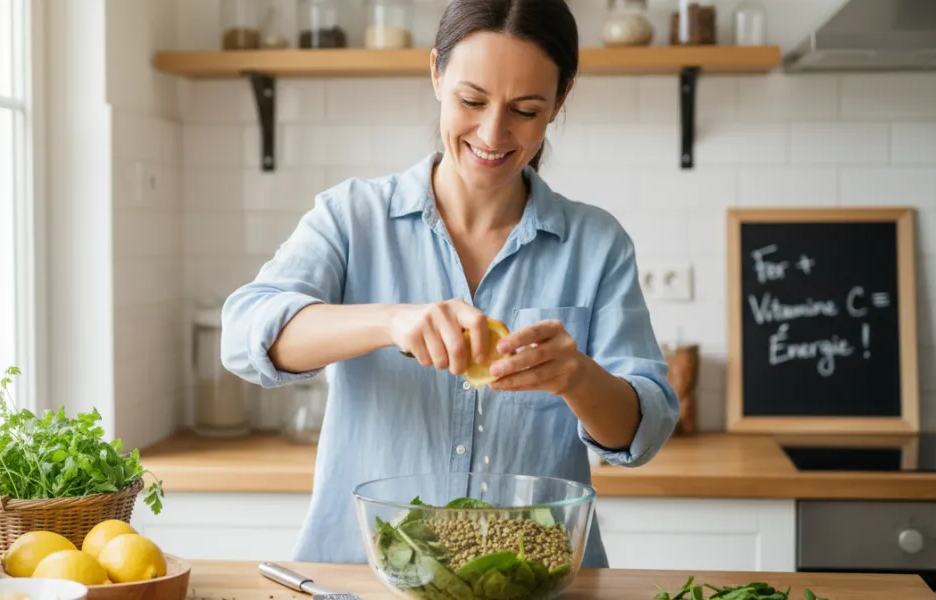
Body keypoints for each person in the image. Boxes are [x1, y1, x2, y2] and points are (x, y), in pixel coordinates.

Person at [221, 0, 679, 569]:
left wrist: (577, 377)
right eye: (472, 100)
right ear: (436, 72)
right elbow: (246, 333)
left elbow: (646, 428)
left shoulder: (596, 244)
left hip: (534, 579)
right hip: (363, 577)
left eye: (526, 110)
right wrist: (391, 321)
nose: (493, 133)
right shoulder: (351, 217)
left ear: (560, 100)